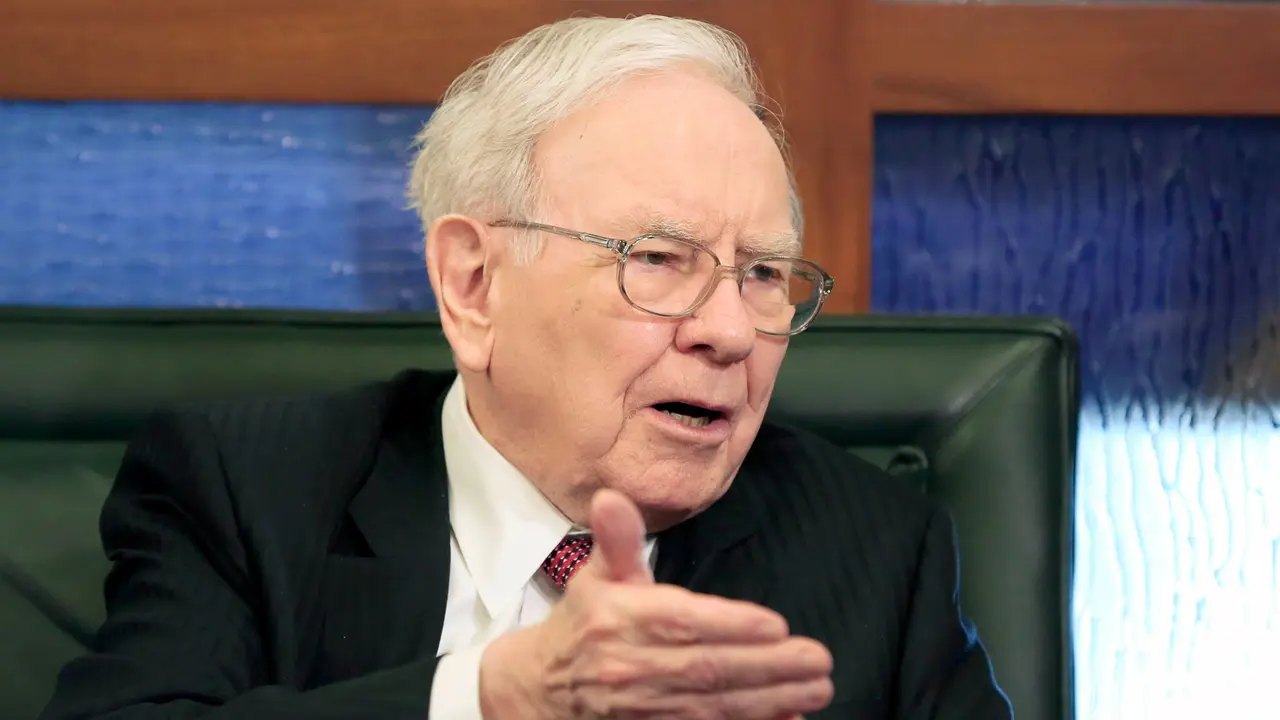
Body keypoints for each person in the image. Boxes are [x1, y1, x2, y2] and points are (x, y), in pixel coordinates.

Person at [39, 14, 1010, 720]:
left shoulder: (878, 549)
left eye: (761, 274)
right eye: (660, 261)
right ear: (473, 286)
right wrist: (489, 697)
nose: (727, 331)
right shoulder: (247, 491)